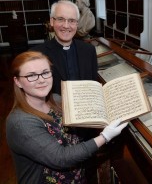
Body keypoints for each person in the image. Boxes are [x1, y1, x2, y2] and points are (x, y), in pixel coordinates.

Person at [6, 51, 128, 184]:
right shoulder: (20, 122)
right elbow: (60, 158)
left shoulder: (57, 100)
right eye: (31, 75)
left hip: (76, 177)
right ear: (17, 81)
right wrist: (105, 136)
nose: (41, 80)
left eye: (45, 72)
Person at [31, 0, 98, 95]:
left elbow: (93, 84)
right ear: (52, 21)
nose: (66, 26)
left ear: (76, 24)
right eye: (60, 19)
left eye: (71, 21)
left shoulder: (89, 50)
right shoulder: (36, 54)